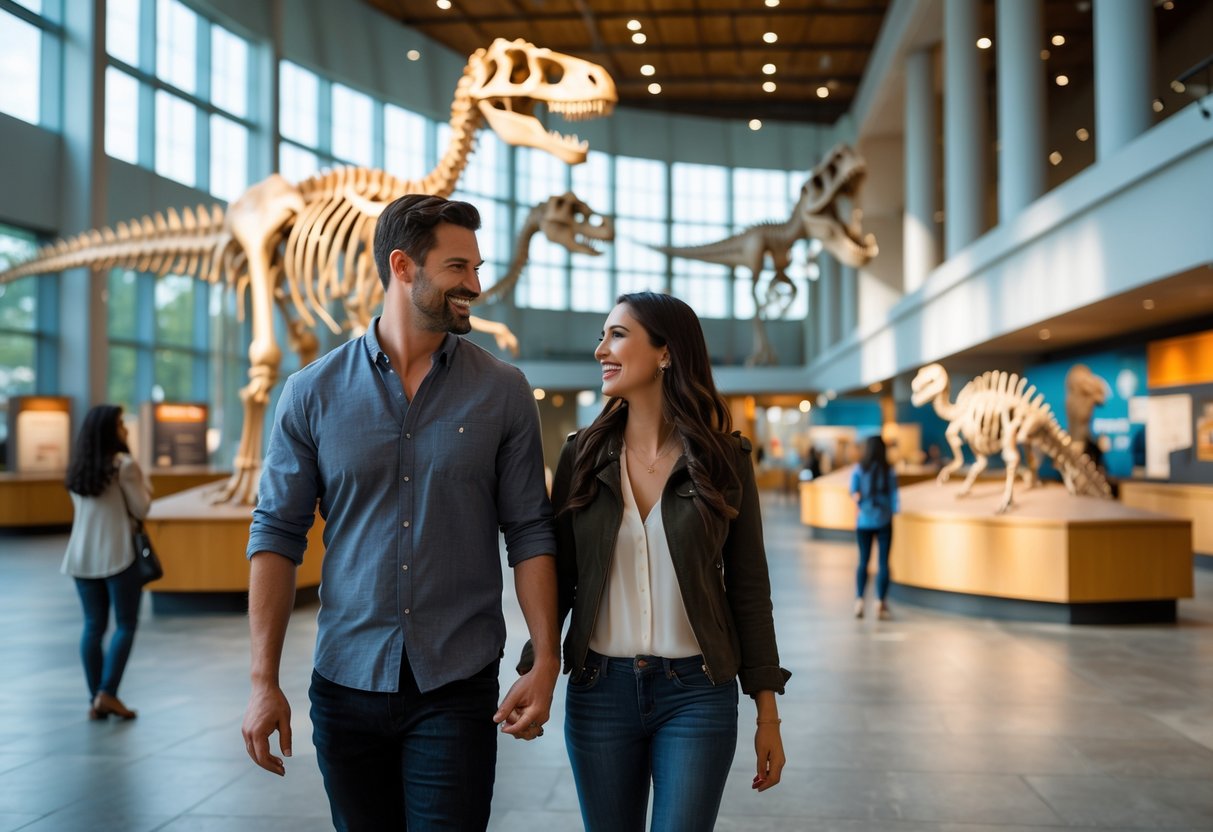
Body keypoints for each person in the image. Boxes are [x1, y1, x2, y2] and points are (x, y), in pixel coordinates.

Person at [241, 195, 560, 831]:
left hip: (456, 682)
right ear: (402, 266)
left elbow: (528, 531)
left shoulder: (503, 391)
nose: (475, 284)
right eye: (458, 267)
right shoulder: (311, 393)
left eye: (477, 266)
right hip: (345, 683)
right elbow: (277, 535)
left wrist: (546, 657)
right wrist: (262, 681)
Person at [545, 291, 789, 832]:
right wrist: (537, 668)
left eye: (618, 335)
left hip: (698, 693)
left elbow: (749, 590)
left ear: (665, 352)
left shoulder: (725, 459)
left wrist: (766, 712)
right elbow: (559, 579)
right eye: (601, 336)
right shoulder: (580, 455)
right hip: (599, 691)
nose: (601, 350)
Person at [62, 404, 150, 721]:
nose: (126, 430)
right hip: (118, 555)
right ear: (109, 430)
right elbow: (141, 508)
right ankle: (108, 694)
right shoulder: (124, 465)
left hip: (80, 557)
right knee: (125, 624)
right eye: (121, 425)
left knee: (93, 627)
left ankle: (95, 699)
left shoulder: (77, 468)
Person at [850, 434, 899, 620]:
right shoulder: (889, 470)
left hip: (863, 521)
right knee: (883, 563)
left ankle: (859, 601)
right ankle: (880, 602)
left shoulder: (859, 469)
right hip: (884, 520)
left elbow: (853, 492)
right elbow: (894, 496)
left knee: (863, 561)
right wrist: (891, 512)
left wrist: (862, 506)